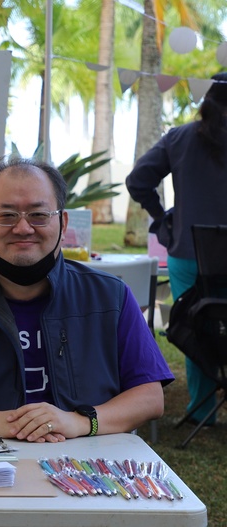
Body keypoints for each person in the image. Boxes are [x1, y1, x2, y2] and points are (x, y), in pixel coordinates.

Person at [0, 156, 174, 442]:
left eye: (38, 215)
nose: (23, 228)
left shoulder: (110, 298)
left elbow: (150, 397)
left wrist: (80, 422)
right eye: (7, 215)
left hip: (86, 468)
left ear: (63, 224)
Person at [126, 73, 227, 426]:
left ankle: (202, 411)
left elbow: (138, 180)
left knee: (198, 324)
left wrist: (163, 216)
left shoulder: (180, 138)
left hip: (189, 251)